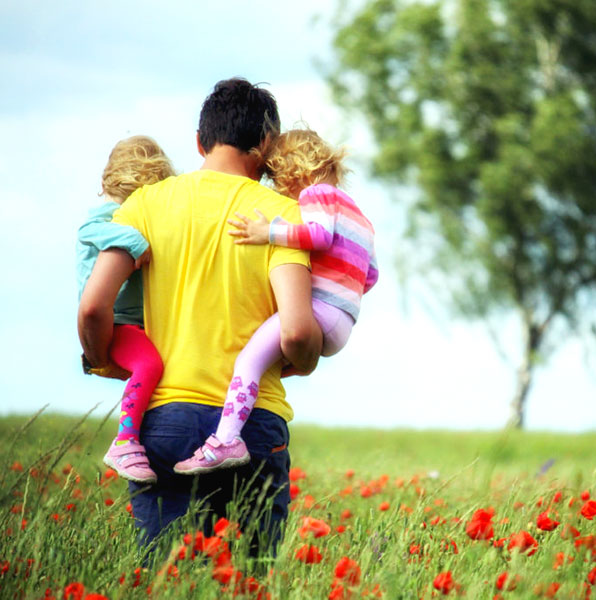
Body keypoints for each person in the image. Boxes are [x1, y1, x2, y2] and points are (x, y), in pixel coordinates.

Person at [78, 78, 322, 553]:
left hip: (164, 420)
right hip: (252, 425)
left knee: (169, 576)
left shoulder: (145, 204)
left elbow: (92, 305)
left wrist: (102, 357)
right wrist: (306, 358)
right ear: (267, 145)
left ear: (199, 140)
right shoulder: (282, 216)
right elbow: (295, 331)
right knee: (249, 580)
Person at [174, 128, 378, 474]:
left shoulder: (317, 194)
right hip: (344, 320)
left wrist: (267, 232)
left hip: (319, 310)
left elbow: (318, 235)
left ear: (292, 171)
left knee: (248, 361)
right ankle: (239, 421)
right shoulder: (360, 217)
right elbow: (370, 276)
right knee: (269, 361)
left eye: (277, 179)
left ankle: (226, 440)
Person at [76, 136, 174, 484]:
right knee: (149, 364)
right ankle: (125, 440)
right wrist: (135, 242)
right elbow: (89, 230)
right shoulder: (109, 214)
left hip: (133, 321)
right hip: (116, 322)